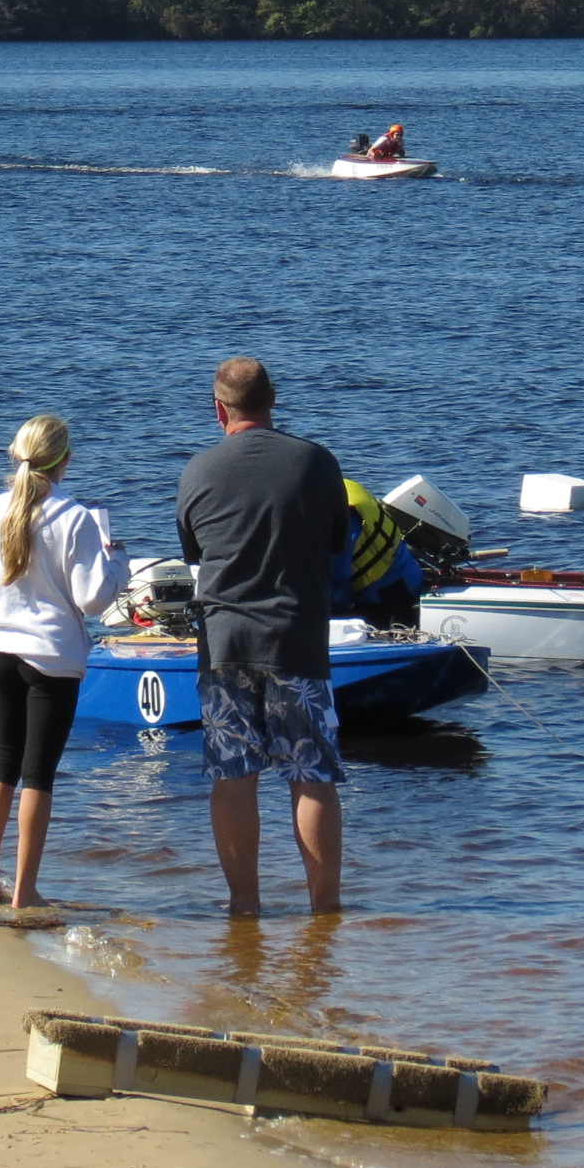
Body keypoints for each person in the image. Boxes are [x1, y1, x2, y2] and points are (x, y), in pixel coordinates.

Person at [176, 357, 352, 916]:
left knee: (233, 776)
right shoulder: (316, 463)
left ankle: (243, 906)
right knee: (312, 774)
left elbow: (196, 554)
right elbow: (336, 547)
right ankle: (325, 912)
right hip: (295, 639)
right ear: (273, 400)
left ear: (218, 408)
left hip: (225, 643)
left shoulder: (198, 471)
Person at [0, 413, 121, 910]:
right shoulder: (75, 517)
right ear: (65, 461)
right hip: (50, 654)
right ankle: (25, 890)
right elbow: (93, 599)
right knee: (39, 773)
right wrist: (115, 561)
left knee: (2, 762)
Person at [333, 476, 424, 628]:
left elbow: (338, 592)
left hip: (390, 590)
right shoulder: (336, 486)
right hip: (399, 569)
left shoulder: (342, 518)